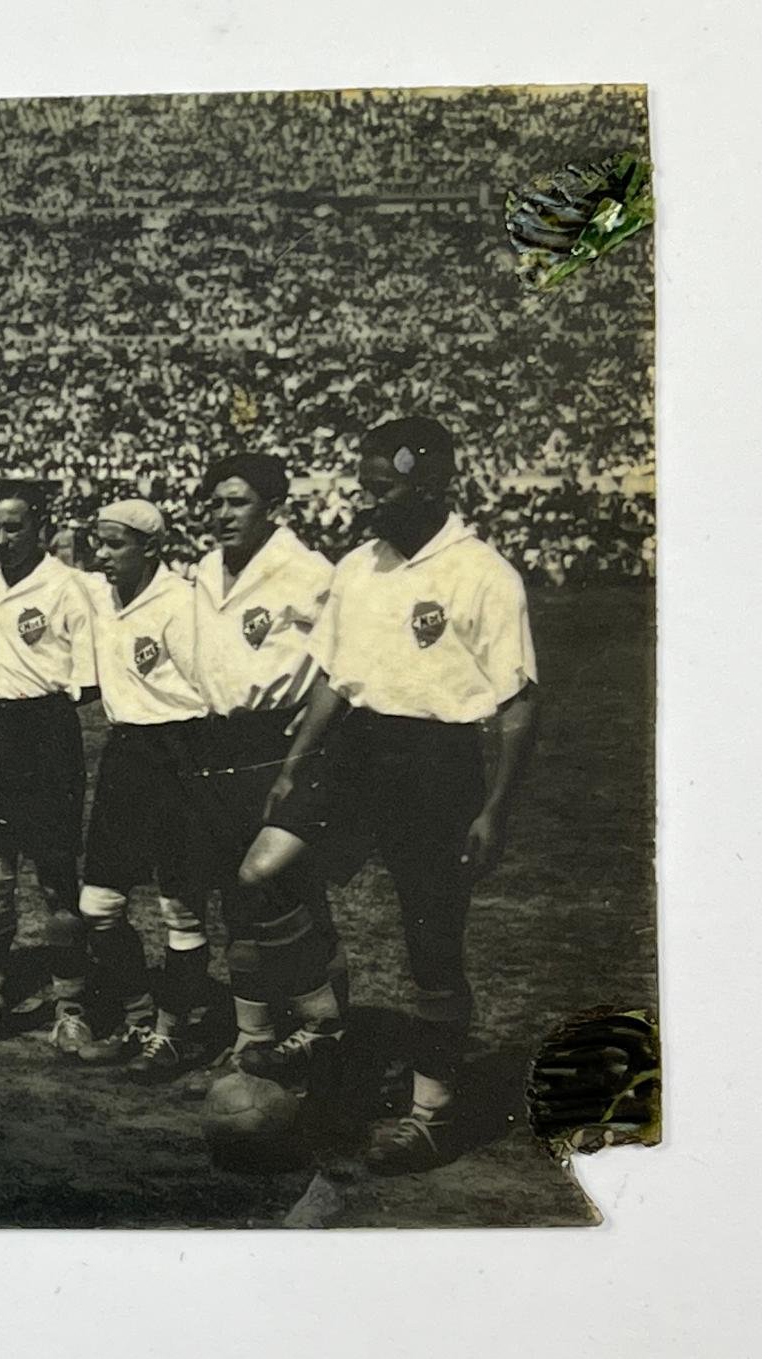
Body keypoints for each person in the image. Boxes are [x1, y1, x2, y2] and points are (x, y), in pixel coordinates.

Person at [268, 416, 539, 1173]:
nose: (368, 499)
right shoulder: (358, 566)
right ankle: (324, 1022)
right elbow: (330, 673)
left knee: (432, 942)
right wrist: (296, 760)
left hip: (437, 762)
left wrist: (495, 807)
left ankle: (431, 1112)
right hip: (358, 749)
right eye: (365, 484)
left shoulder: (484, 573)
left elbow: (518, 705)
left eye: (383, 487)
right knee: (267, 869)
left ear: (433, 482)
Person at [180, 453, 349, 1089]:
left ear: (273, 507)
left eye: (237, 503)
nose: (222, 516)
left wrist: (303, 749)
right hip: (216, 742)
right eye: (216, 504)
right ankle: (253, 1038)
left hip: (280, 743)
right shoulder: (202, 572)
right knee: (235, 895)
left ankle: (324, 1029)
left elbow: (337, 664)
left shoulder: (307, 572)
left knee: (284, 891)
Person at [0, 480, 97, 1043]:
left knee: (56, 880)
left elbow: (89, 679)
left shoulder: (67, 588)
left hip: (44, 734)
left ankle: (71, 1008)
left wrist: (44, 711)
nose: (3, 539)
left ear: (42, 526)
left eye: (15, 527)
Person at [71, 499, 212, 1081]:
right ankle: (135, 1016)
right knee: (98, 904)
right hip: (126, 753)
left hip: (181, 753)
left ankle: (172, 1036)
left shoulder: (182, 602)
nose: (101, 556)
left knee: (180, 908)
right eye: (96, 544)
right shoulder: (102, 595)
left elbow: (211, 687)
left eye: (114, 545)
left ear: (151, 548)